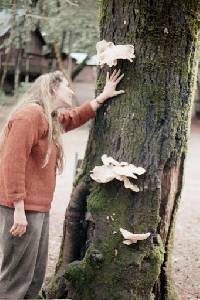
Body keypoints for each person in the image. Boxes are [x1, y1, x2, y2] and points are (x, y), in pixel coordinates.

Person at [0, 68, 125, 299]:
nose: (70, 89)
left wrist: (102, 96)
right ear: (53, 89)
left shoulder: (49, 117)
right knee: (16, 279)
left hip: (37, 209)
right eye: (66, 85)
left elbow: (74, 117)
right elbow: (11, 162)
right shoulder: (30, 115)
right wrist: (18, 208)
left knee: (35, 276)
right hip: (21, 208)